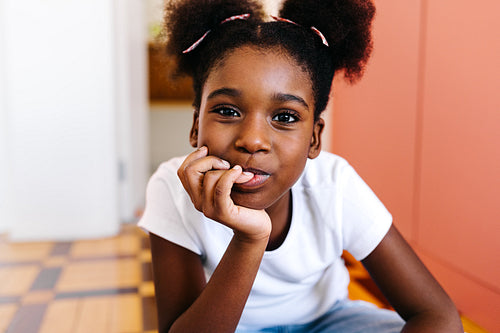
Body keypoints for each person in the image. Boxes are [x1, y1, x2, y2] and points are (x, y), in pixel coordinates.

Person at [139, 0, 464, 332]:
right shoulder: (170, 186)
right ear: (196, 126)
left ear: (314, 139)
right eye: (227, 111)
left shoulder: (334, 185)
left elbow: (438, 315)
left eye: (284, 117)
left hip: (331, 322)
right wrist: (250, 238)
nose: (252, 140)